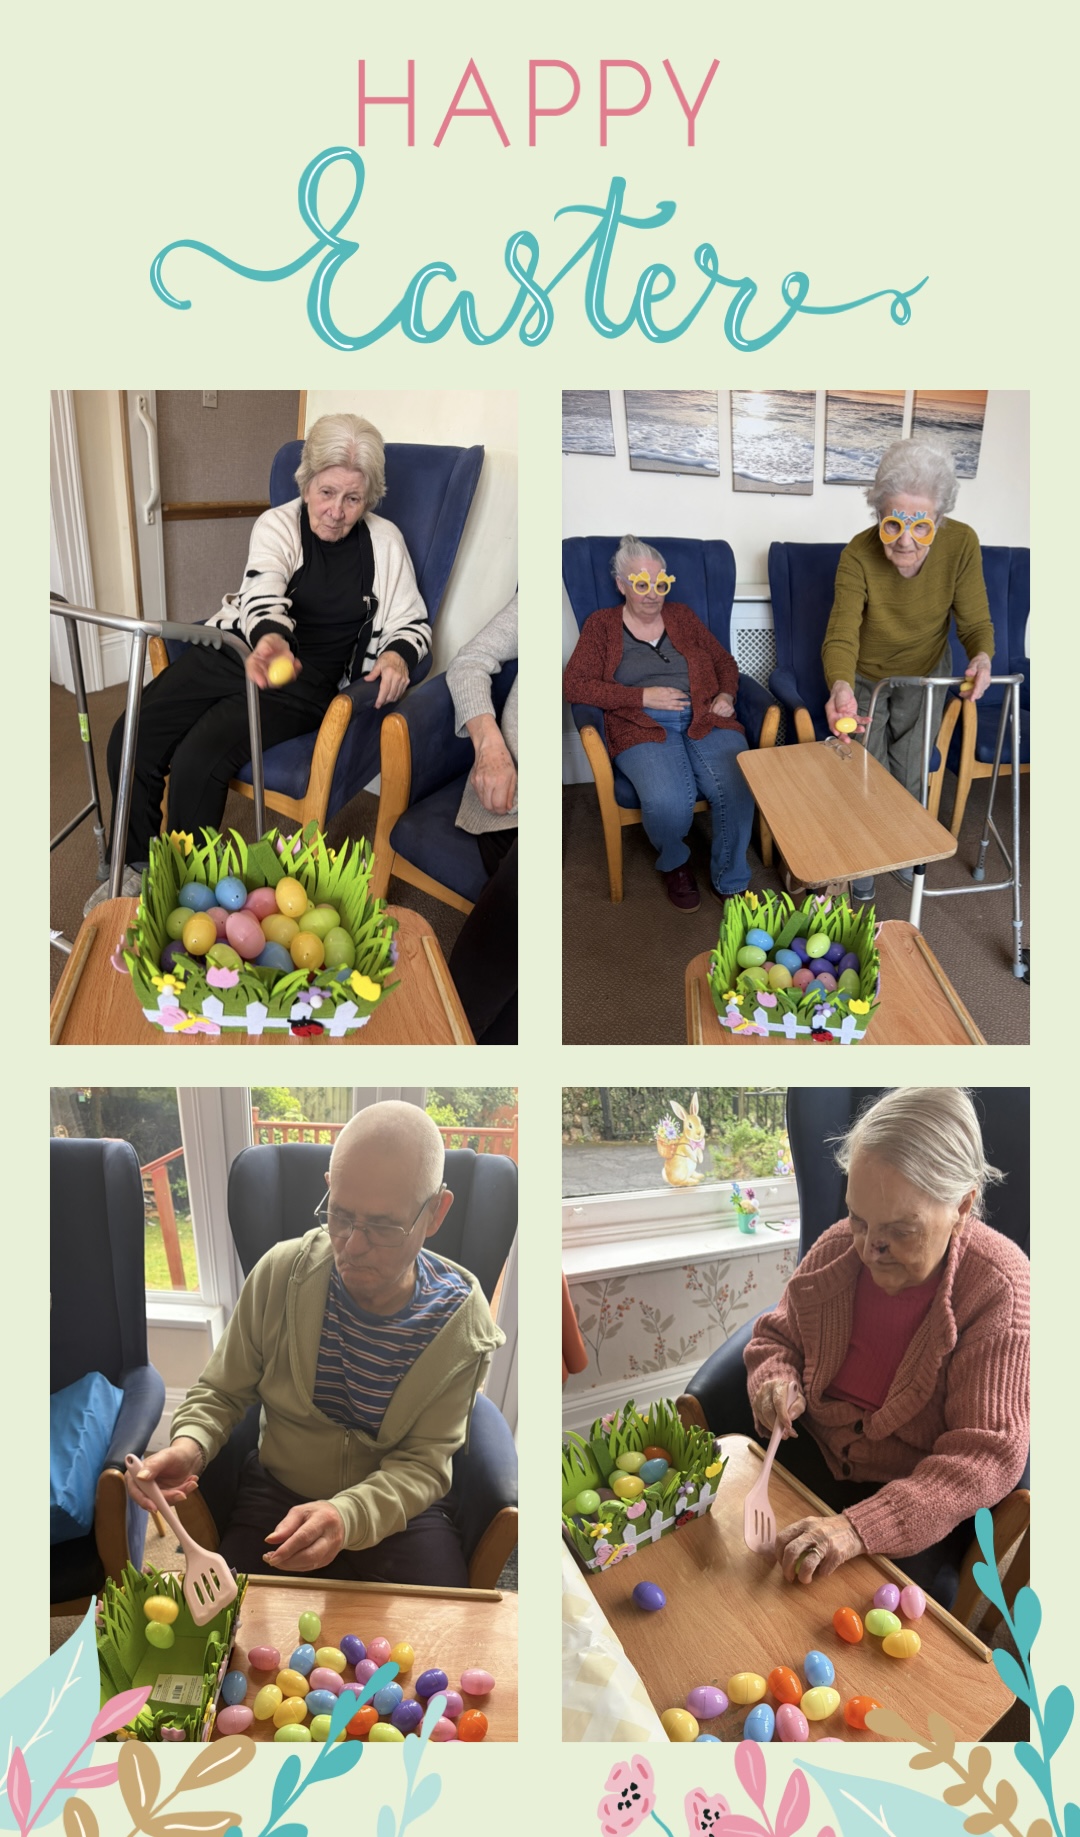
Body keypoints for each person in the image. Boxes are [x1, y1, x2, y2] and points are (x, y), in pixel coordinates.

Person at [128, 1102, 504, 1585]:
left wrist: (347, 1515)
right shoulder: (278, 1275)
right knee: (231, 1623)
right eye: (340, 1215)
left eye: (383, 1226)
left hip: (398, 1510)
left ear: (435, 1212)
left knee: (443, 1628)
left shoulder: (459, 1323)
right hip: (277, 1492)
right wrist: (190, 1446)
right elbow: (222, 1391)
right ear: (329, 1186)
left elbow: (424, 1464)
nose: (352, 1245)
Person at [89, 413, 430, 909]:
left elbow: (412, 623)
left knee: (199, 757)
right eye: (326, 492)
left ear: (369, 499)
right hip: (242, 649)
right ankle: (134, 867)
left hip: (302, 683)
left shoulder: (385, 543)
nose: (336, 511)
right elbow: (263, 590)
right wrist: (271, 640)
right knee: (131, 733)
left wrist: (398, 655)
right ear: (307, 483)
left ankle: (187, 893)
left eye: (352, 498)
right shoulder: (278, 524)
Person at [742, 1088, 1028, 1604]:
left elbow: (986, 1452)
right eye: (858, 1218)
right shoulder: (838, 1247)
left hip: (912, 1499)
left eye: (899, 1230)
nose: (868, 1249)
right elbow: (776, 1337)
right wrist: (773, 1381)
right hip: (809, 1454)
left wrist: (858, 1528)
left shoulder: (999, 1289)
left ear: (962, 1206)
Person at [822, 437, 995, 897]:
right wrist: (840, 685)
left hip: (924, 672)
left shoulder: (961, 543)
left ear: (940, 519)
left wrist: (981, 655)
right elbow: (841, 634)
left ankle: (902, 848)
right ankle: (864, 857)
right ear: (878, 513)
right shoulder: (857, 555)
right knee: (864, 769)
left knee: (912, 769)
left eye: (921, 527)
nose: (904, 540)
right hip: (865, 676)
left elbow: (975, 622)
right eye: (893, 523)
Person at [563, 537, 754, 913]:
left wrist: (726, 695)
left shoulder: (683, 617)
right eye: (641, 584)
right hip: (641, 724)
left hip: (705, 716)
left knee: (738, 784)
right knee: (668, 801)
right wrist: (642, 697)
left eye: (660, 583)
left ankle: (730, 879)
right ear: (621, 585)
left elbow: (724, 662)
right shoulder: (601, 626)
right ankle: (675, 863)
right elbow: (575, 685)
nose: (652, 594)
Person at [445, 593, 518, 1044]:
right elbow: (468, 663)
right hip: (509, 801)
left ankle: (449, 1037)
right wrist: (489, 747)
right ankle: (449, 1033)